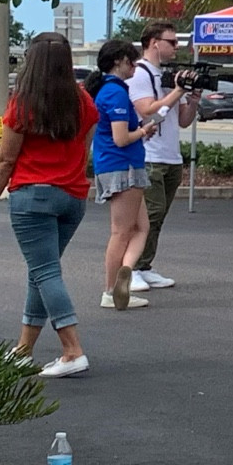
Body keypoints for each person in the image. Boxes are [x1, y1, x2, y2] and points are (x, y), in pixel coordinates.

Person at [0, 33, 96, 377]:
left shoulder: (23, 103)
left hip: (33, 196)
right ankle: (23, 349)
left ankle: (72, 350)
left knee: (45, 271)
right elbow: (85, 150)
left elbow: (6, 159)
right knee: (42, 271)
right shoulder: (84, 101)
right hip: (73, 196)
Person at [126, 21, 195, 292]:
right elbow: (147, 110)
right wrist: (178, 91)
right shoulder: (140, 74)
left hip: (171, 156)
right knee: (148, 216)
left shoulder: (169, 76)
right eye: (172, 42)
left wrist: (193, 97)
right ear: (155, 43)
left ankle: (145, 266)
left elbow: (184, 120)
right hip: (149, 155)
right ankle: (131, 268)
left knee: (159, 217)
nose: (177, 47)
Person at [91, 39, 158, 310]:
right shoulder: (115, 93)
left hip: (114, 165)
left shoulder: (106, 90)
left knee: (141, 227)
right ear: (118, 61)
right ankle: (111, 288)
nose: (134, 67)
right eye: (131, 61)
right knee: (121, 232)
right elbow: (120, 138)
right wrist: (143, 131)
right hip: (123, 166)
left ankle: (125, 271)